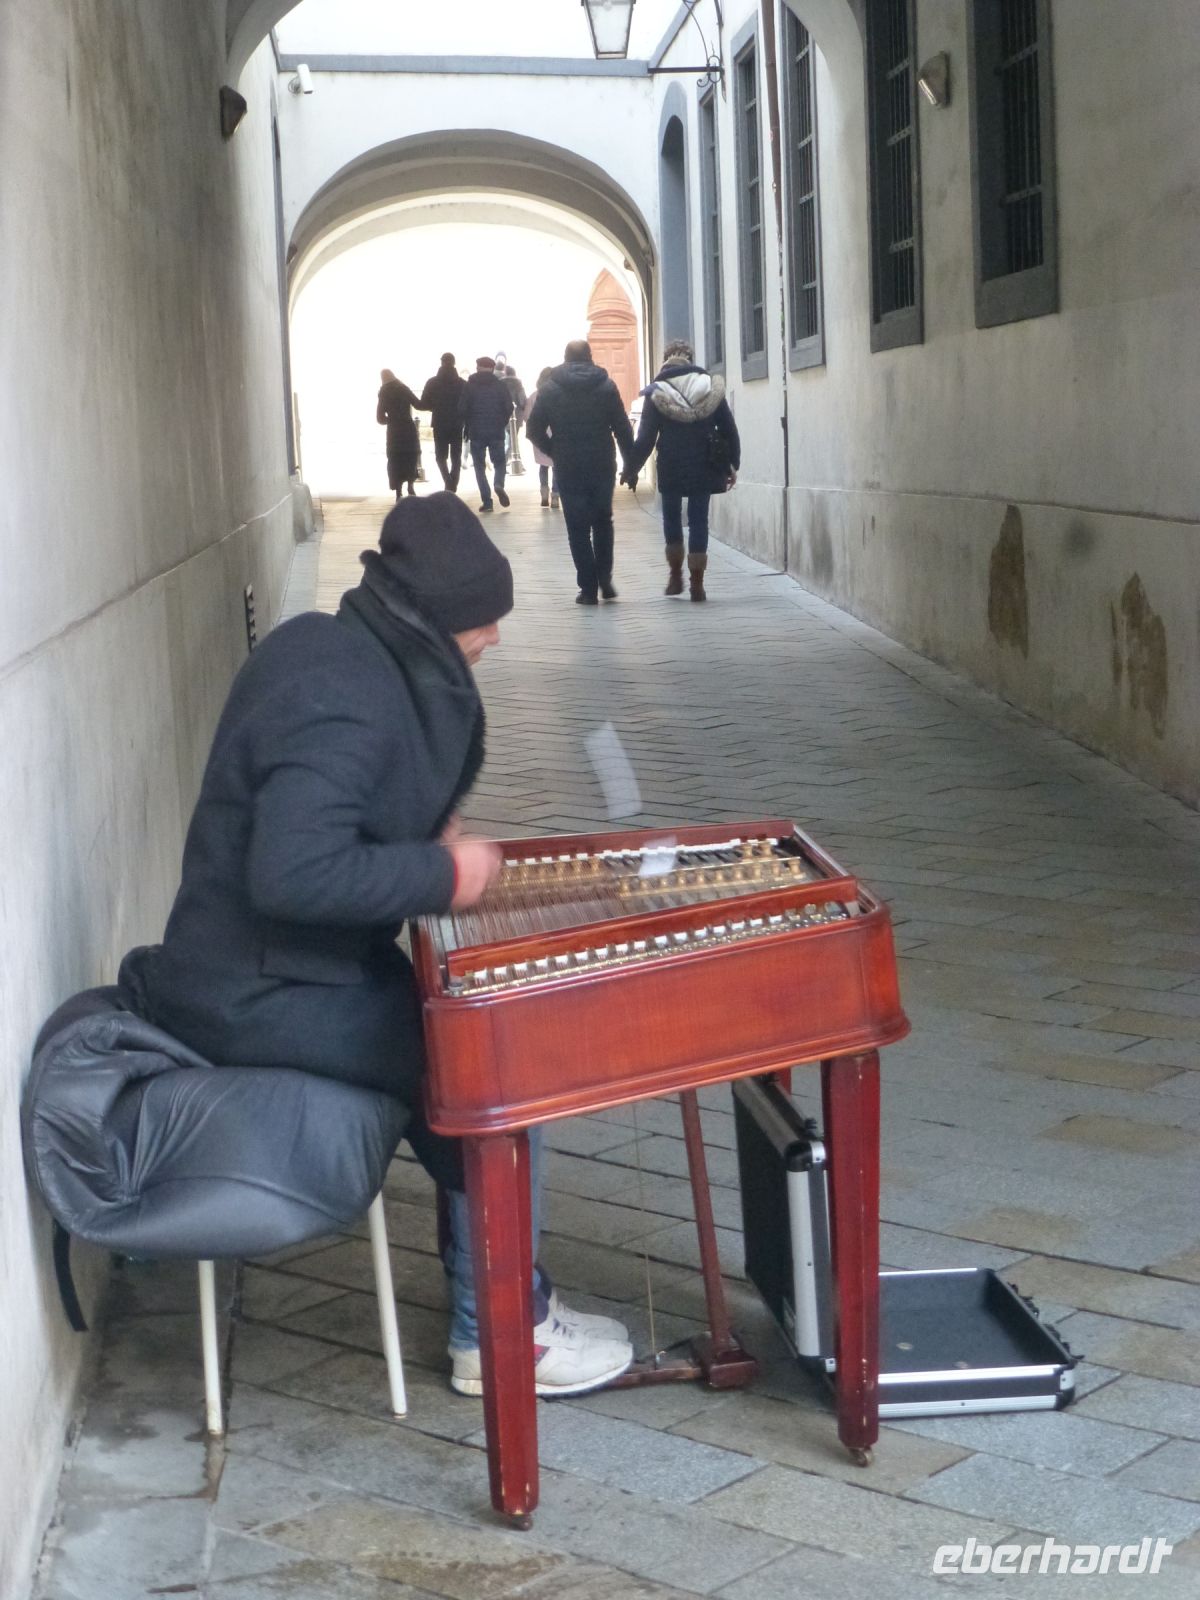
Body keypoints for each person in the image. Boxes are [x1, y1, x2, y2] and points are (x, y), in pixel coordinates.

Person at [118, 493, 633, 1397]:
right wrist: (447, 876)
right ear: (435, 622)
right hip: (257, 993)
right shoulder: (343, 696)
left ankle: (506, 1296)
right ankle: (502, 1334)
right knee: (497, 1066)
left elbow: (343, 813)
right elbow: (294, 872)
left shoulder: (338, 651)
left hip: (289, 970)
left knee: (466, 1043)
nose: (496, 640)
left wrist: (422, 836)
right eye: (484, 621)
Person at [626, 339, 741, 602]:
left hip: (671, 464)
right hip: (705, 462)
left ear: (666, 360)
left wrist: (631, 468)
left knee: (672, 518)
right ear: (690, 359)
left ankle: (675, 573)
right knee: (699, 520)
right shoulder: (709, 386)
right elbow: (728, 429)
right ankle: (697, 584)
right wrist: (732, 464)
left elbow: (645, 438)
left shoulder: (658, 392)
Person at [526, 339, 636, 605]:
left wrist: (554, 450)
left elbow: (533, 429)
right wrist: (631, 466)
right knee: (602, 521)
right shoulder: (606, 386)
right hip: (601, 462)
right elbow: (622, 428)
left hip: (569, 464)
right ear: (590, 357)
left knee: (577, 527)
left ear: (565, 359)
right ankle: (605, 580)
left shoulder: (550, 389)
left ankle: (588, 589)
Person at [461, 356, 514, 512]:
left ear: (477, 367)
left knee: (479, 466)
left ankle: (487, 501)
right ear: (492, 368)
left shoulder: (469, 386)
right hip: (496, 430)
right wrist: (502, 421)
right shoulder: (500, 386)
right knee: (499, 462)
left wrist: (468, 423)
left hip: (476, 432)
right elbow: (509, 407)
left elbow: (462, 408)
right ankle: (498, 483)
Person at [420, 352, 467, 492]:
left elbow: (424, 403)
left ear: (441, 363)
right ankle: (454, 481)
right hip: (457, 423)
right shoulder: (462, 384)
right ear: (454, 363)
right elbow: (466, 404)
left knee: (440, 456)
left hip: (439, 423)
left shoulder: (432, 382)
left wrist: (435, 407)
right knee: (456, 455)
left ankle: (448, 480)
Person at [376, 369, 423, 500]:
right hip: (408, 428)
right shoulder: (403, 388)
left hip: (394, 432)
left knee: (395, 459)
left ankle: (398, 491)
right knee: (410, 456)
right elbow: (418, 404)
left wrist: (391, 420)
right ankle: (411, 486)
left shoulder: (384, 392)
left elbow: (379, 418)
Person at [525, 366, 558, 509]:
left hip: (539, 435)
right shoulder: (559, 394)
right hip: (557, 434)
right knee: (557, 466)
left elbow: (527, 416)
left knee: (543, 466)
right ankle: (556, 495)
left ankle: (544, 493)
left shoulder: (534, 396)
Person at [498, 359, 528, 474]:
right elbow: (522, 399)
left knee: (510, 440)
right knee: (512, 441)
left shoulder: (500, 383)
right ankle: (504, 463)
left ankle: (517, 462)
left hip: (502, 415)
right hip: (516, 414)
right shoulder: (517, 383)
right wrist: (523, 407)